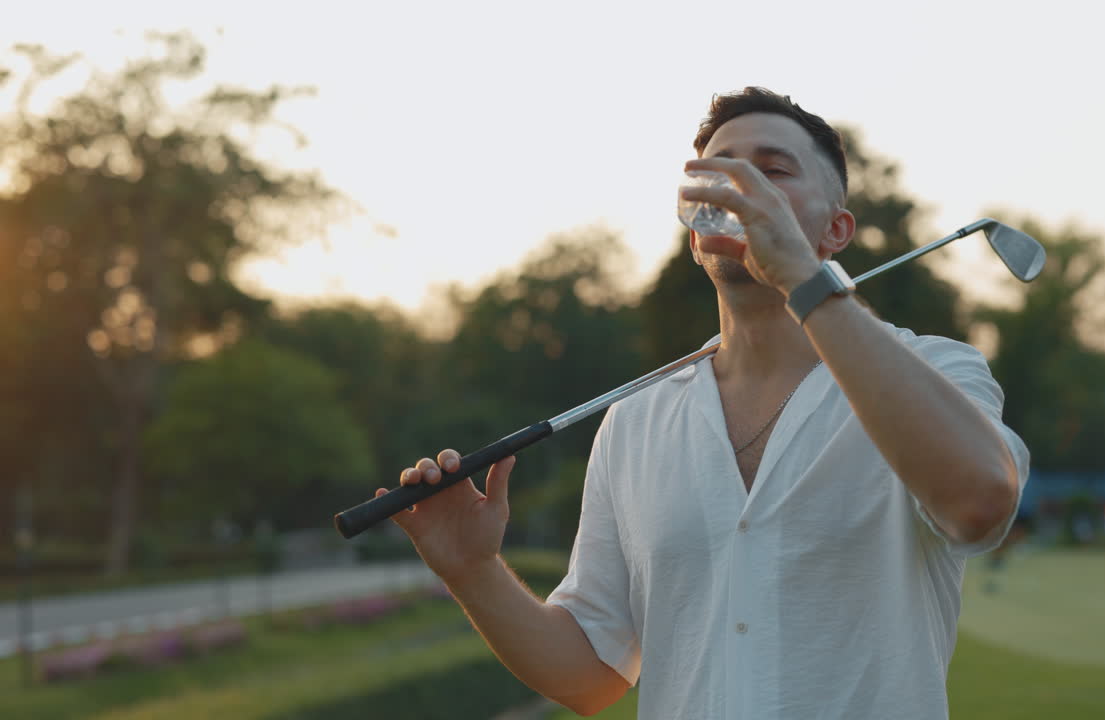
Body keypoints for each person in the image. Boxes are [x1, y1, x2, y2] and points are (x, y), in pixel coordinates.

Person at [376, 87, 1029, 718]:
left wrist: (800, 276)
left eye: (773, 171)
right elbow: (588, 678)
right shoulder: (634, 423)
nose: (739, 189)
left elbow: (979, 503)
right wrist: (473, 571)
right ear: (695, 232)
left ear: (836, 229)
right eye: (719, 175)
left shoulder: (936, 370)